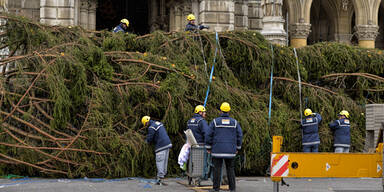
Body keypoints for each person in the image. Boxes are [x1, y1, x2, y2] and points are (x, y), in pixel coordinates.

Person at [205, 102, 243, 192]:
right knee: (230, 169)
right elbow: (239, 135)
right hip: (230, 151)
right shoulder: (234, 122)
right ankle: (232, 189)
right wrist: (238, 148)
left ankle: (216, 188)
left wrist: (208, 147)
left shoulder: (215, 122)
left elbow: (208, 135)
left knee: (217, 169)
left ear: (221, 110)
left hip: (217, 150)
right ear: (229, 110)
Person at [142, 116, 172, 185]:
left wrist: (146, 142)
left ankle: (160, 178)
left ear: (146, 122)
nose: (146, 126)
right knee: (164, 161)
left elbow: (150, 138)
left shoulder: (151, 127)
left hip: (161, 145)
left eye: (145, 124)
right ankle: (162, 176)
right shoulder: (158, 123)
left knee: (160, 161)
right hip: (167, 144)